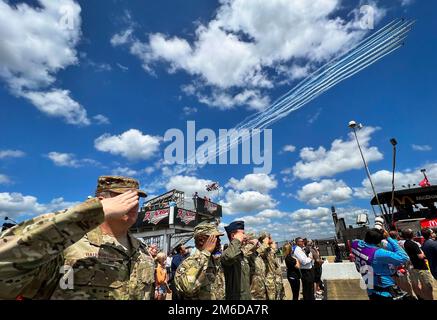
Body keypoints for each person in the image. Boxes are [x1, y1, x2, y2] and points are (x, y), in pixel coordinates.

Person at [0, 175, 155, 300]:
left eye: (137, 198)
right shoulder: (67, 245)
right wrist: (91, 212)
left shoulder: (143, 253)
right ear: (101, 202)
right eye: (124, 197)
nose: (134, 203)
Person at [351, 228, 409, 300]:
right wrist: (388, 238)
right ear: (378, 242)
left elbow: (359, 241)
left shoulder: (355, 244)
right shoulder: (377, 253)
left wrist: (375, 234)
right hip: (384, 290)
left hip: (370, 286)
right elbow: (404, 257)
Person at [174, 222, 224, 300]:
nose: (219, 241)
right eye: (215, 238)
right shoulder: (188, 263)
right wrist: (205, 253)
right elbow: (189, 289)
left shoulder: (213, 261)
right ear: (201, 240)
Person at [221, 220, 251, 300]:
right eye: (242, 234)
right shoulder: (227, 253)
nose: (245, 236)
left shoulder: (240, 254)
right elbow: (230, 257)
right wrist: (237, 240)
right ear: (233, 235)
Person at [402, 229, 434, 300]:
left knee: (418, 285)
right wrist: (426, 253)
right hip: (421, 267)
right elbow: (420, 256)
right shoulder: (413, 244)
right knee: (427, 286)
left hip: (414, 267)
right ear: (411, 235)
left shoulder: (405, 243)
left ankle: (421, 297)